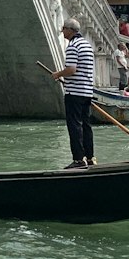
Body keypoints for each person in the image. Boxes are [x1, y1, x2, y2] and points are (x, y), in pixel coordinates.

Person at [50, 18, 96, 168]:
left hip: (74, 93)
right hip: (87, 92)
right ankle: (90, 157)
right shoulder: (87, 45)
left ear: (70, 30)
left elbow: (71, 69)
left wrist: (58, 74)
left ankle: (78, 160)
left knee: (75, 126)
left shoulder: (72, 46)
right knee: (86, 125)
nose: (62, 31)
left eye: (64, 28)